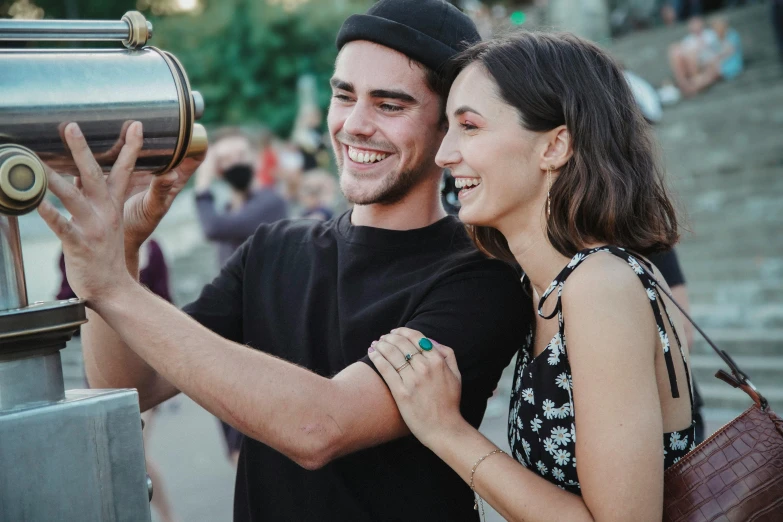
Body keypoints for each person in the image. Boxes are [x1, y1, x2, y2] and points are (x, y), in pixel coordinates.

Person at [36, 1, 530, 521]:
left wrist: (114, 287)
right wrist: (123, 251)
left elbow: (319, 428)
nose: (354, 125)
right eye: (344, 95)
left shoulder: (483, 274)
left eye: (390, 105)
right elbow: (130, 387)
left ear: (448, 127)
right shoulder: (274, 248)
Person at [367, 32, 695, 521]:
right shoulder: (548, 285)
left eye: (470, 126)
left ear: (555, 146)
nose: (444, 154)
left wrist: (444, 430)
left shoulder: (599, 285)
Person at [194, 127, 288, 268]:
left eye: (242, 154)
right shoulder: (227, 211)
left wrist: (203, 180)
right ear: (218, 169)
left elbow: (213, 228)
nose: (236, 162)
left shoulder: (272, 202)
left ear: (256, 158)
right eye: (226, 158)